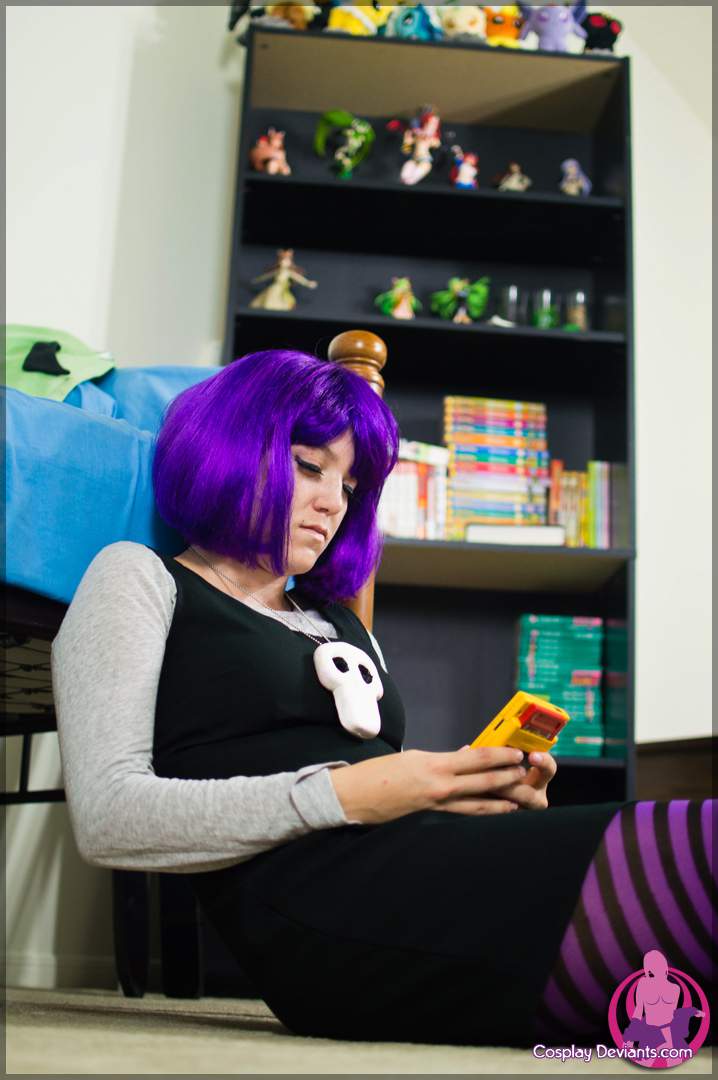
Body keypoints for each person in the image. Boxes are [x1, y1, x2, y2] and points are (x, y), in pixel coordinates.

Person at [51, 349, 715, 1048]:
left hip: (417, 868)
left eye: (350, 485)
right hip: (320, 917)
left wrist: (471, 791)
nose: (333, 503)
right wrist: (348, 793)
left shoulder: (342, 621)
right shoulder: (140, 578)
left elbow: (384, 795)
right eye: (309, 466)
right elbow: (107, 817)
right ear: (230, 451)